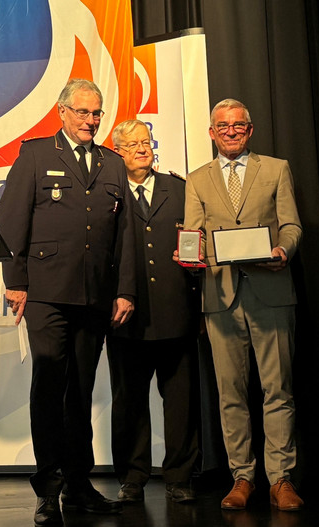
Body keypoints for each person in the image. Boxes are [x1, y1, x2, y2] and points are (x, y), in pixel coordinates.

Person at [0, 78, 137, 527]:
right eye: (82, 112)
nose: (90, 121)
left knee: (80, 390)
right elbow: (13, 221)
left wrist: (125, 289)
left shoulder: (112, 163)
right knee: (49, 385)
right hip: (45, 292)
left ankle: (78, 484)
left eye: (96, 113)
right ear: (62, 111)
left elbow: (124, 235)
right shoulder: (37, 154)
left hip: (94, 294)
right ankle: (48, 490)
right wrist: (16, 281)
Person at [182, 98, 305, 511]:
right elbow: (194, 236)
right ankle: (242, 477)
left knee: (278, 389)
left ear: (249, 130)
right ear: (211, 133)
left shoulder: (276, 169)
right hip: (221, 298)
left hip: (271, 292)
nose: (231, 131)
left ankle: (281, 478)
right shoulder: (196, 180)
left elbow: (291, 225)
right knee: (230, 392)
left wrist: (284, 250)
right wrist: (189, 255)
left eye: (238, 125)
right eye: (223, 126)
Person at [105, 119, 201, 504]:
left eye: (146, 142)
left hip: (176, 311)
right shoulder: (107, 193)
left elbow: (198, 239)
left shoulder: (179, 189)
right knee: (128, 401)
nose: (142, 149)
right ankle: (132, 478)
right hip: (126, 316)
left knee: (181, 400)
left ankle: (180, 476)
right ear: (117, 152)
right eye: (132, 145)